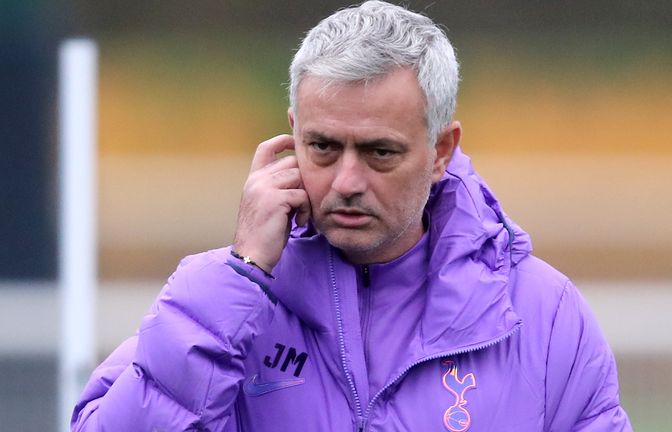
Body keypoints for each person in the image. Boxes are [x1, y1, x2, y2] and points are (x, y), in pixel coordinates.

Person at [72, 1, 632, 431]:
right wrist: (239, 276)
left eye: (378, 152)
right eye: (321, 146)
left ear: (440, 150)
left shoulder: (543, 316)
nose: (345, 182)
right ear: (291, 133)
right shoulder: (217, 301)